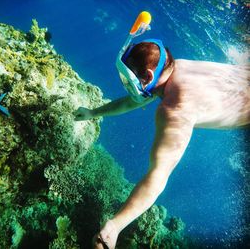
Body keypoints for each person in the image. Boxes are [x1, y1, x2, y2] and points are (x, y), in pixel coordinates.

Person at [73, 12, 250, 249]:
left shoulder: (173, 109)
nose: (130, 88)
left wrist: (114, 227)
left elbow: (158, 177)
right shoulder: (178, 67)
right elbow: (133, 101)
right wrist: (93, 113)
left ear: (148, 76)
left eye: (130, 81)